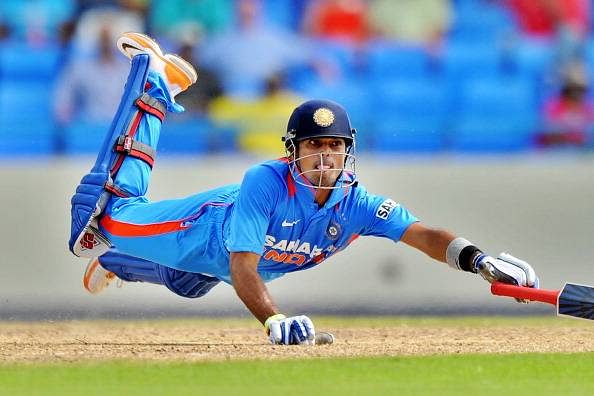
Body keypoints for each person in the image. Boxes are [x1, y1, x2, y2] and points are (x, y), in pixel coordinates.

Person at [69, 32, 540, 346]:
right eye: (314, 145)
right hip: (202, 230)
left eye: (334, 146)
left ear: (348, 150)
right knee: (103, 214)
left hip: (215, 265)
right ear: (293, 150)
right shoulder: (265, 181)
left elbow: (423, 235)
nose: (325, 156)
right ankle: (156, 82)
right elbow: (242, 266)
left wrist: (480, 260)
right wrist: (275, 319)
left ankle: (115, 263)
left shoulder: (358, 204)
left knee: (185, 284)